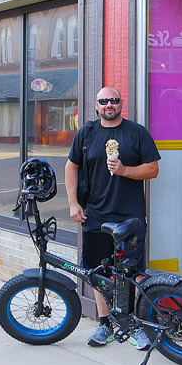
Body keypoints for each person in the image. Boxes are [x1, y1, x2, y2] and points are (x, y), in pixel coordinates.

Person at [65, 86, 160, 349]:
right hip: (96, 215)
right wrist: (73, 204)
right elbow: (71, 166)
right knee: (98, 272)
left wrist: (125, 170)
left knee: (134, 272)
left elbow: (153, 169)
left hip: (130, 216)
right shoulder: (87, 133)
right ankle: (105, 323)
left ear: (121, 104)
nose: (109, 105)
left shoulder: (136, 132)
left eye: (114, 100)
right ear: (96, 105)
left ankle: (134, 324)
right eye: (104, 101)